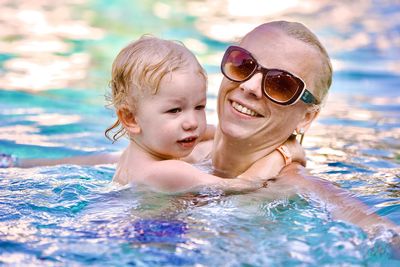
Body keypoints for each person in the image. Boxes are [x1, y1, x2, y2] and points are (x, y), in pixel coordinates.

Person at [2, 21, 399, 237]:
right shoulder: (178, 150)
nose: (248, 86)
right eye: (244, 64)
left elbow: (375, 226)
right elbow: (97, 161)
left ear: (307, 117)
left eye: (280, 84)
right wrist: (16, 164)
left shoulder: (293, 184)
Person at [86, 35, 304, 193]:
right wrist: (284, 153)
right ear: (131, 118)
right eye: (175, 110)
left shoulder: (133, 156)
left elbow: (209, 132)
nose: (192, 123)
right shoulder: (168, 171)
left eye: (199, 107)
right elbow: (244, 186)